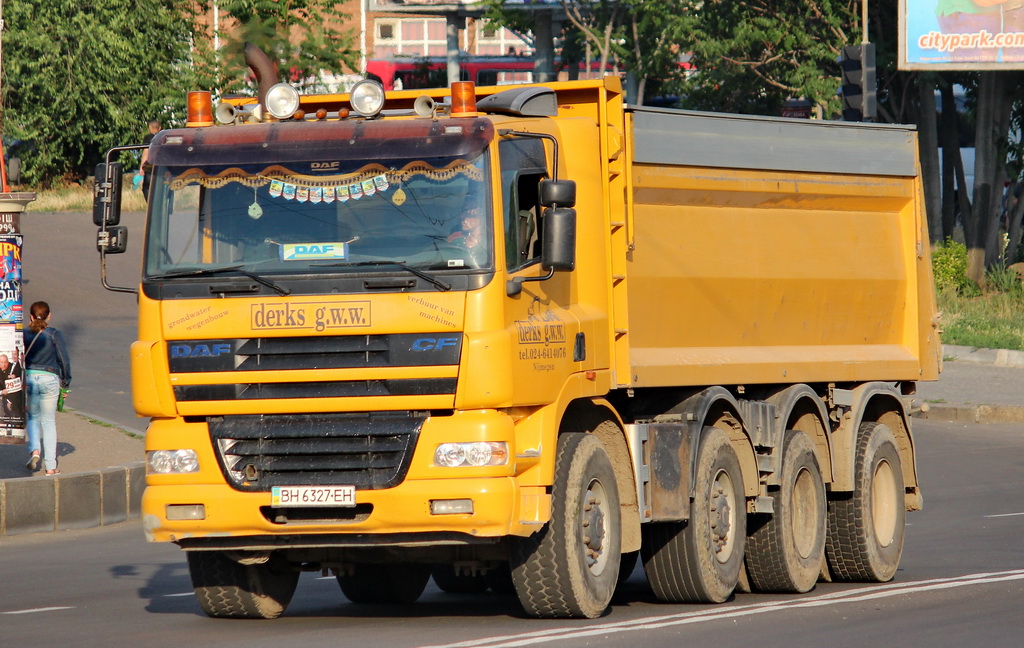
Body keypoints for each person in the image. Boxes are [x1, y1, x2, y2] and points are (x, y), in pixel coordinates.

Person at [23, 301, 72, 475]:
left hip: (29, 379)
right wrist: (65, 384)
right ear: (49, 316)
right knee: (49, 422)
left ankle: (35, 450)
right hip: (50, 379)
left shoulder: (24, 334)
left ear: (30, 316)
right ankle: (51, 466)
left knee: (33, 417)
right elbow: (63, 359)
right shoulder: (54, 334)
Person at [139, 119, 160, 201]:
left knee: (147, 187)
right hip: (163, 166)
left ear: (150, 128)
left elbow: (146, 152)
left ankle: (150, 204)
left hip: (150, 167)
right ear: (160, 128)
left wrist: (142, 166)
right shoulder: (164, 137)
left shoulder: (148, 138)